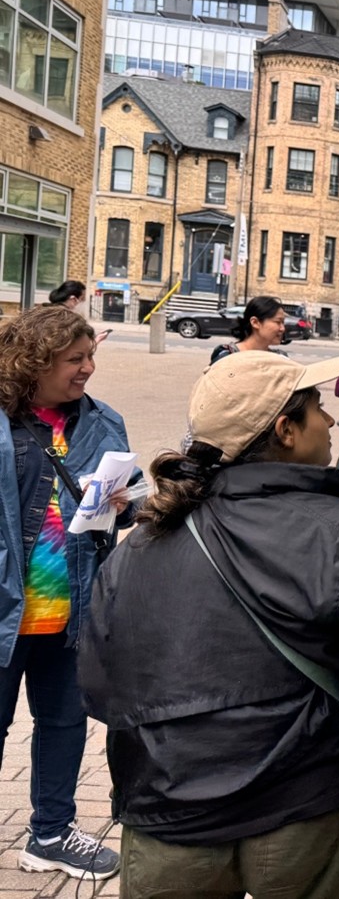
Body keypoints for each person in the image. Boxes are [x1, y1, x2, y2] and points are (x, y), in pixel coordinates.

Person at [79, 351, 339, 898]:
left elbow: (100, 688)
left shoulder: (144, 541)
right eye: (317, 407)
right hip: (302, 807)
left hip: (166, 814)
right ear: (286, 430)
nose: (328, 420)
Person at [0, 305, 136, 880]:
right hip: (8, 612)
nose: (88, 368)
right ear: (36, 361)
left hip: (71, 612)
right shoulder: (6, 423)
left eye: (90, 356)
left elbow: (120, 501)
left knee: (63, 724)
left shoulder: (103, 421)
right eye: (74, 359)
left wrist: (130, 505)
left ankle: (50, 834)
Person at [210, 296, 286, 365]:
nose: (282, 328)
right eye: (278, 322)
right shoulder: (226, 356)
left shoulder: (280, 359)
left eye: (283, 323)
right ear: (255, 322)